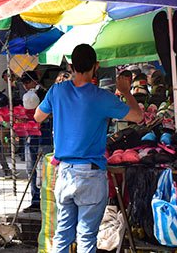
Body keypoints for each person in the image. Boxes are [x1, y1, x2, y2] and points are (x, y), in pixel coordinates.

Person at [35, 44, 142, 253]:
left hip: (64, 173)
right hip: (91, 175)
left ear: (72, 65)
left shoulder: (57, 91)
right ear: (96, 66)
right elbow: (137, 117)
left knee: (62, 235)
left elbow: (38, 116)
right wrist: (126, 92)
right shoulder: (102, 97)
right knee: (86, 238)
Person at [21, 70, 49, 213]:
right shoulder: (27, 96)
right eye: (24, 83)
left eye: (28, 82)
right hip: (30, 135)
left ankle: (46, 200)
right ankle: (36, 200)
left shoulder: (45, 94)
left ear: (35, 80)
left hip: (44, 135)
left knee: (44, 170)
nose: (26, 85)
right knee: (31, 169)